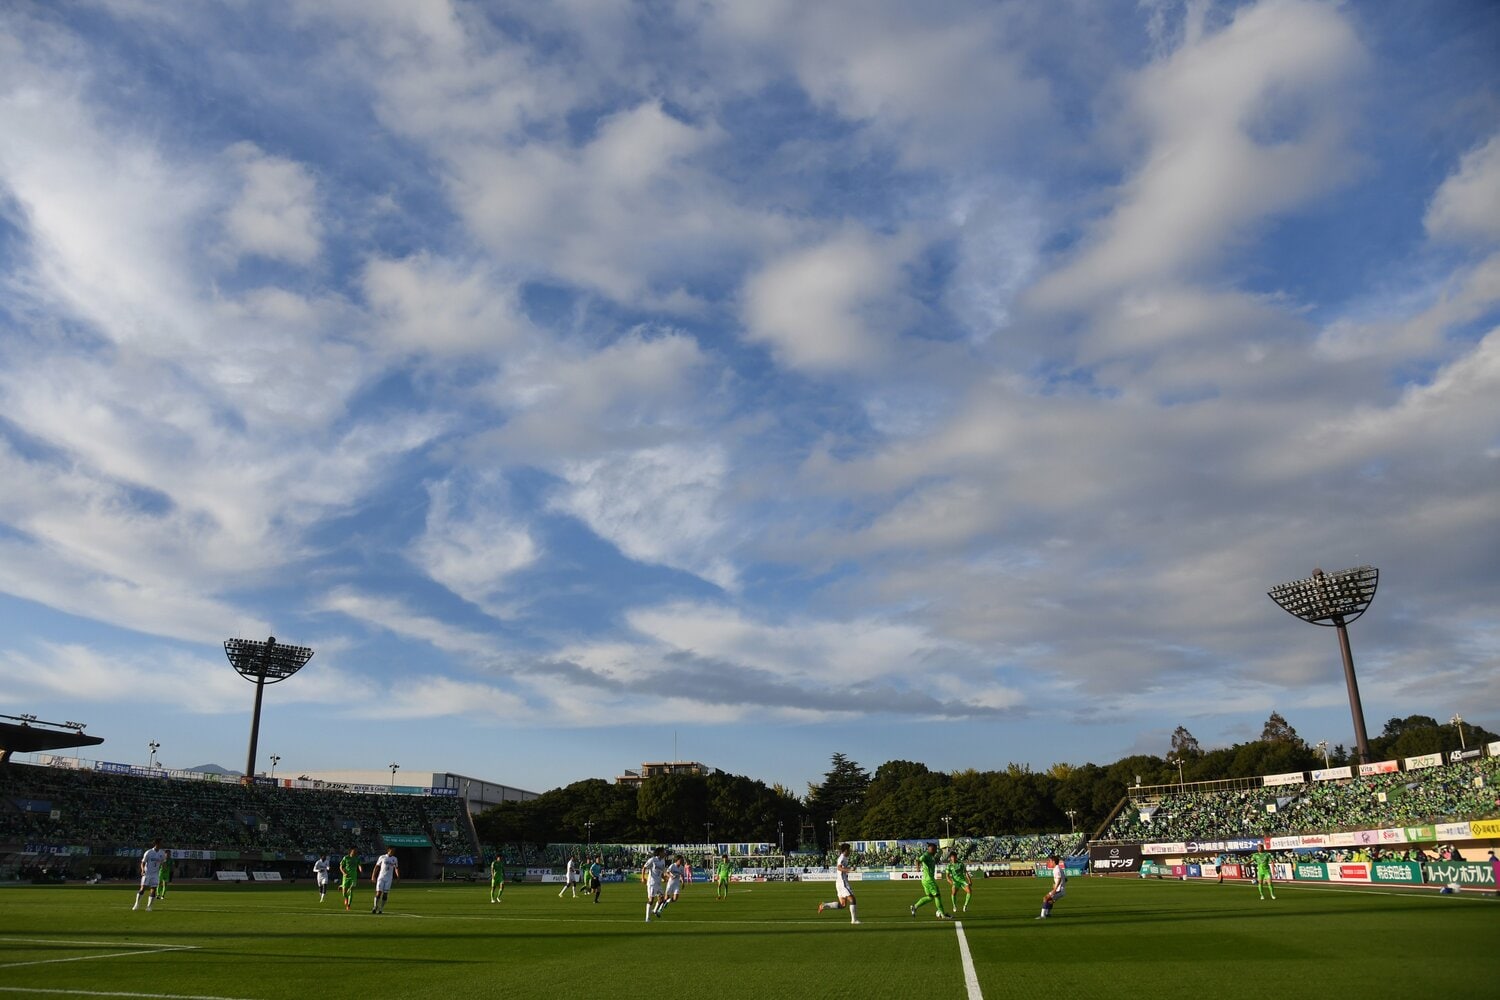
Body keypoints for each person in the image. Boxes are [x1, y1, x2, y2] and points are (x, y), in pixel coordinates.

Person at [816, 843, 860, 924]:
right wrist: (849, 869)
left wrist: (849, 869)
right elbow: (839, 868)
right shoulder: (842, 858)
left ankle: (824, 905)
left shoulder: (845, 857)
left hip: (839, 882)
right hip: (842, 882)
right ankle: (854, 920)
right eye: (849, 850)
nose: (850, 851)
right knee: (852, 899)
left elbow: (842, 868)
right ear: (846, 850)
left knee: (842, 905)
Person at [909, 843, 949, 919]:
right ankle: (943, 914)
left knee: (930, 897)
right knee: (937, 896)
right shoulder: (926, 855)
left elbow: (936, 857)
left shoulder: (931, 856)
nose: (934, 851)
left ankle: (915, 906)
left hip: (925, 880)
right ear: (929, 849)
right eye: (933, 849)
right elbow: (918, 860)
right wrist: (917, 867)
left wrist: (942, 850)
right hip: (929, 880)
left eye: (935, 849)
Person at [132, 839, 167, 911]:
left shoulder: (162, 853)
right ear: (157, 843)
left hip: (155, 874)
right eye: (161, 843)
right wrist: (142, 870)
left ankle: (149, 906)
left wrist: (164, 867)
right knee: (142, 889)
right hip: (147, 873)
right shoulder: (149, 852)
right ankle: (136, 904)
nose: (162, 844)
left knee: (153, 889)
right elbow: (143, 862)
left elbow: (163, 862)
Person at [371, 847, 399, 914]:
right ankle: (375, 906)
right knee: (378, 893)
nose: (393, 852)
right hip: (381, 878)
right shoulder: (382, 857)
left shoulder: (395, 859)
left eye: (394, 851)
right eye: (392, 850)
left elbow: (396, 868)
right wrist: (373, 876)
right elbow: (376, 867)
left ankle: (381, 909)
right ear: (388, 850)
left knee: (385, 894)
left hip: (389, 879)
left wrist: (398, 877)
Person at [1037, 854, 1066, 919]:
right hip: (1061, 889)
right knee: (1050, 900)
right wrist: (1058, 884)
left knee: (1045, 898)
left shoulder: (1056, 869)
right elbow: (1065, 879)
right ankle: (1047, 914)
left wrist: (1055, 888)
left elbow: (1059, 878)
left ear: (1053, 861)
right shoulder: (1059, 868)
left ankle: (1042, 915)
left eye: (1050, 861)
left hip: (1059, 890)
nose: (1049, 862)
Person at [642, 847, 667, 922]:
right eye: (663, 852)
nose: (664, 853)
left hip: (658, 883)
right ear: (660, 853)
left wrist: (664, 878)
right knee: (651, 900)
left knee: (662, 899)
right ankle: (647, 918)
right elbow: (644, 867)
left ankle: (654, 910)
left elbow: (661, 872)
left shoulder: (663, 861)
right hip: (652, 883)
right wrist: (643, 878)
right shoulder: (652, 860)